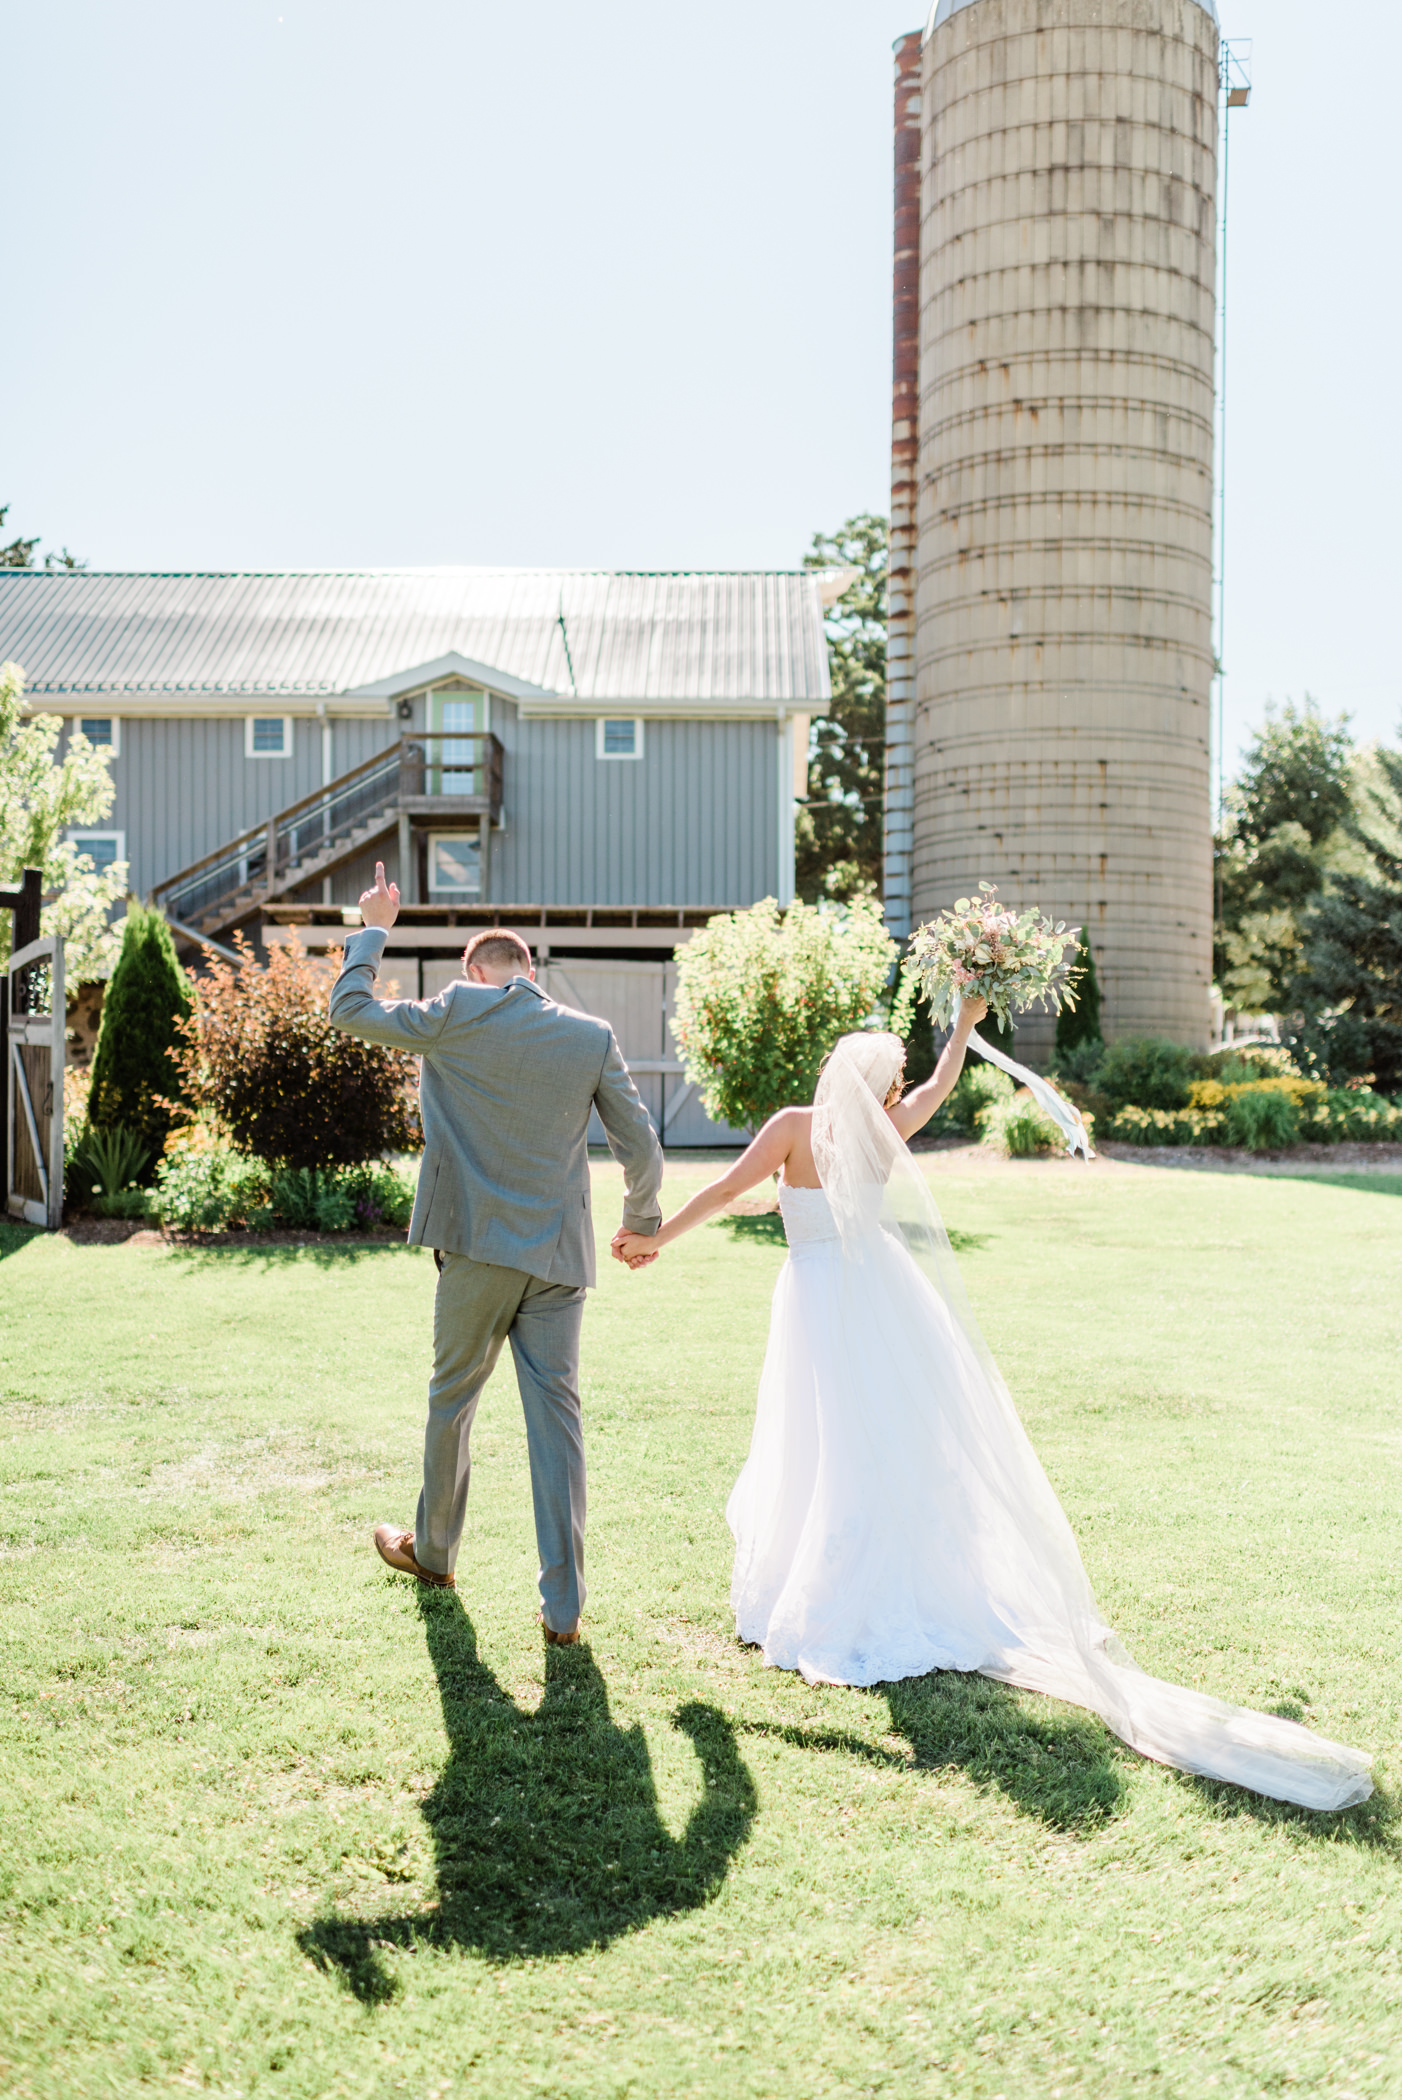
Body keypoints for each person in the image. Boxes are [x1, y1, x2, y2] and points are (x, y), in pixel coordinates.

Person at [613, 1000, 1373, 1810]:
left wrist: (655, 1237)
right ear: (882, 1083)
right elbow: (943, 1077)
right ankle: (888, 1571)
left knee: (820, 1438)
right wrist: (968, 1015)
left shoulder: (795, 1125)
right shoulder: (887, 1128)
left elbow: (729, 1186)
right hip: (880, 1297)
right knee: (881, 1440)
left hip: (817, 1300)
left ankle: (830, 1589)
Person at [331, 863, 662, 1643]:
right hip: (559, 1262)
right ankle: (564, 1609)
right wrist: (641, 1219)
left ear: (473, 972)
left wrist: (376, 923)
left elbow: (349, 1009)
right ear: (531, 974)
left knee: (453, 1401)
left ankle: (435, 1552)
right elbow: (641, 1144)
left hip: (475, 1251)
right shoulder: (590, 1036)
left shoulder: (455, 1010)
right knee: (559, 1427)